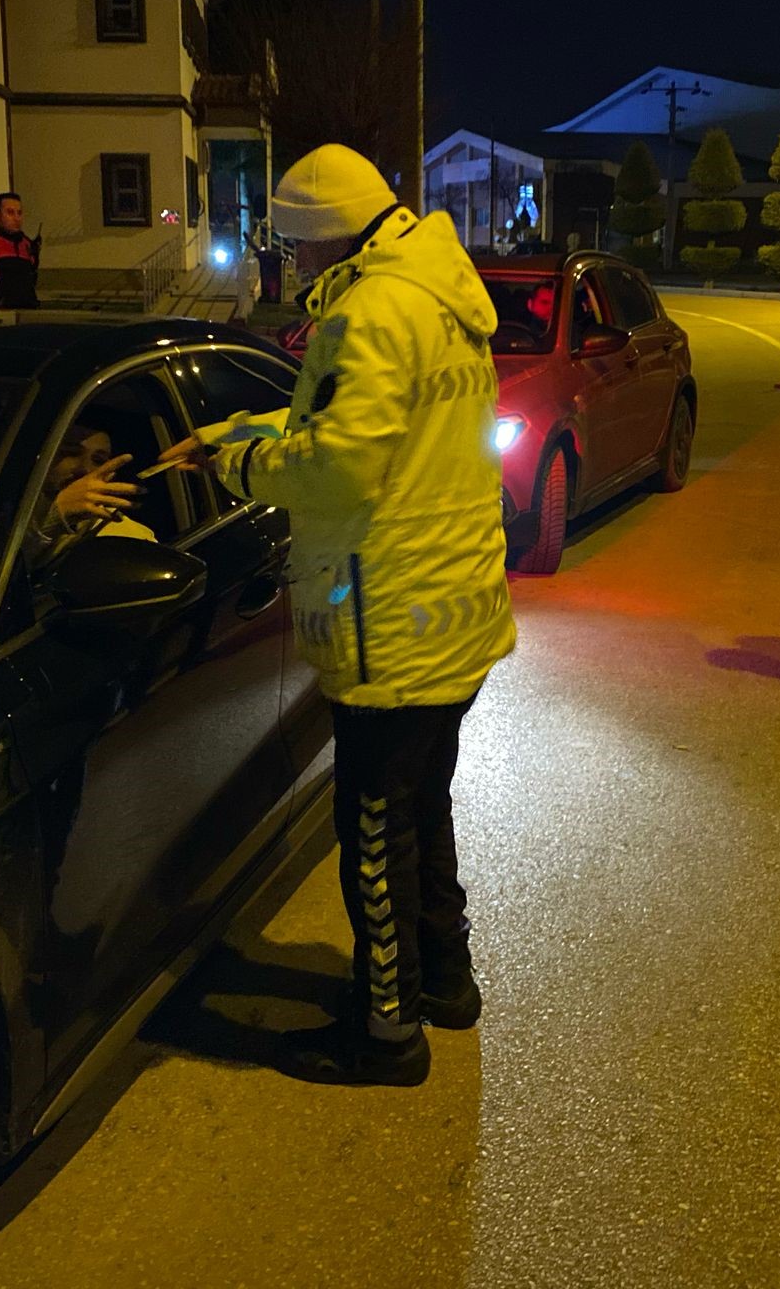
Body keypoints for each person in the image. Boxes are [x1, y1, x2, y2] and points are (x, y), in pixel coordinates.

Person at [188, 143, 516, 1086]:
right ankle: (444, 985)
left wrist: (236, 467)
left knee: (375, 832)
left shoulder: (369, 311)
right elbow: (349, 428)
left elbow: (335, 464)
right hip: (451, 605)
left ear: (318, 240)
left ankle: (386, 1034)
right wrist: (242, 431)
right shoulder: (437, 297)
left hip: (392, 618)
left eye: (290, 248)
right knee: (424, 808)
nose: (287, 267)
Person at [0, 191, 41, 309]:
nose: (16, 218)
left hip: (27, 312)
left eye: (19, 213)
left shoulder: (28, 244)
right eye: (10, 212)